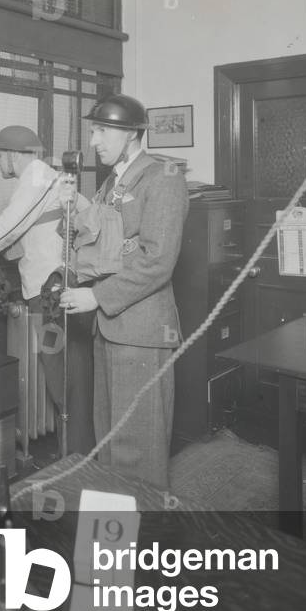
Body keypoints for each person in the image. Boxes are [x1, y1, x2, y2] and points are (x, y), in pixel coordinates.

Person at [0, 125, 95, 456]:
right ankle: (78, 454)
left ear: (12, 155)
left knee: (63, 378)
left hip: (51, 293)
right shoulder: (45, 179)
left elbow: (8, 227)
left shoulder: (38, 177)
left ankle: (77, 459)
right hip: (57, 288)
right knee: (70, 376)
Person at [59, 95, 189, 489]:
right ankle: (112, 546)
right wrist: (72, 209)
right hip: (112, 328)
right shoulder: (112, 181)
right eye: (93, 130)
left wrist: (96, 297)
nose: (94, 140)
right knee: (112, 442)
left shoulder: (163, 177)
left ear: (132, 133)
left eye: (102, 130)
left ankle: (143, 545)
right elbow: (103, 243)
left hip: (141, 333)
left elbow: (157, 260)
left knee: (138, 449)